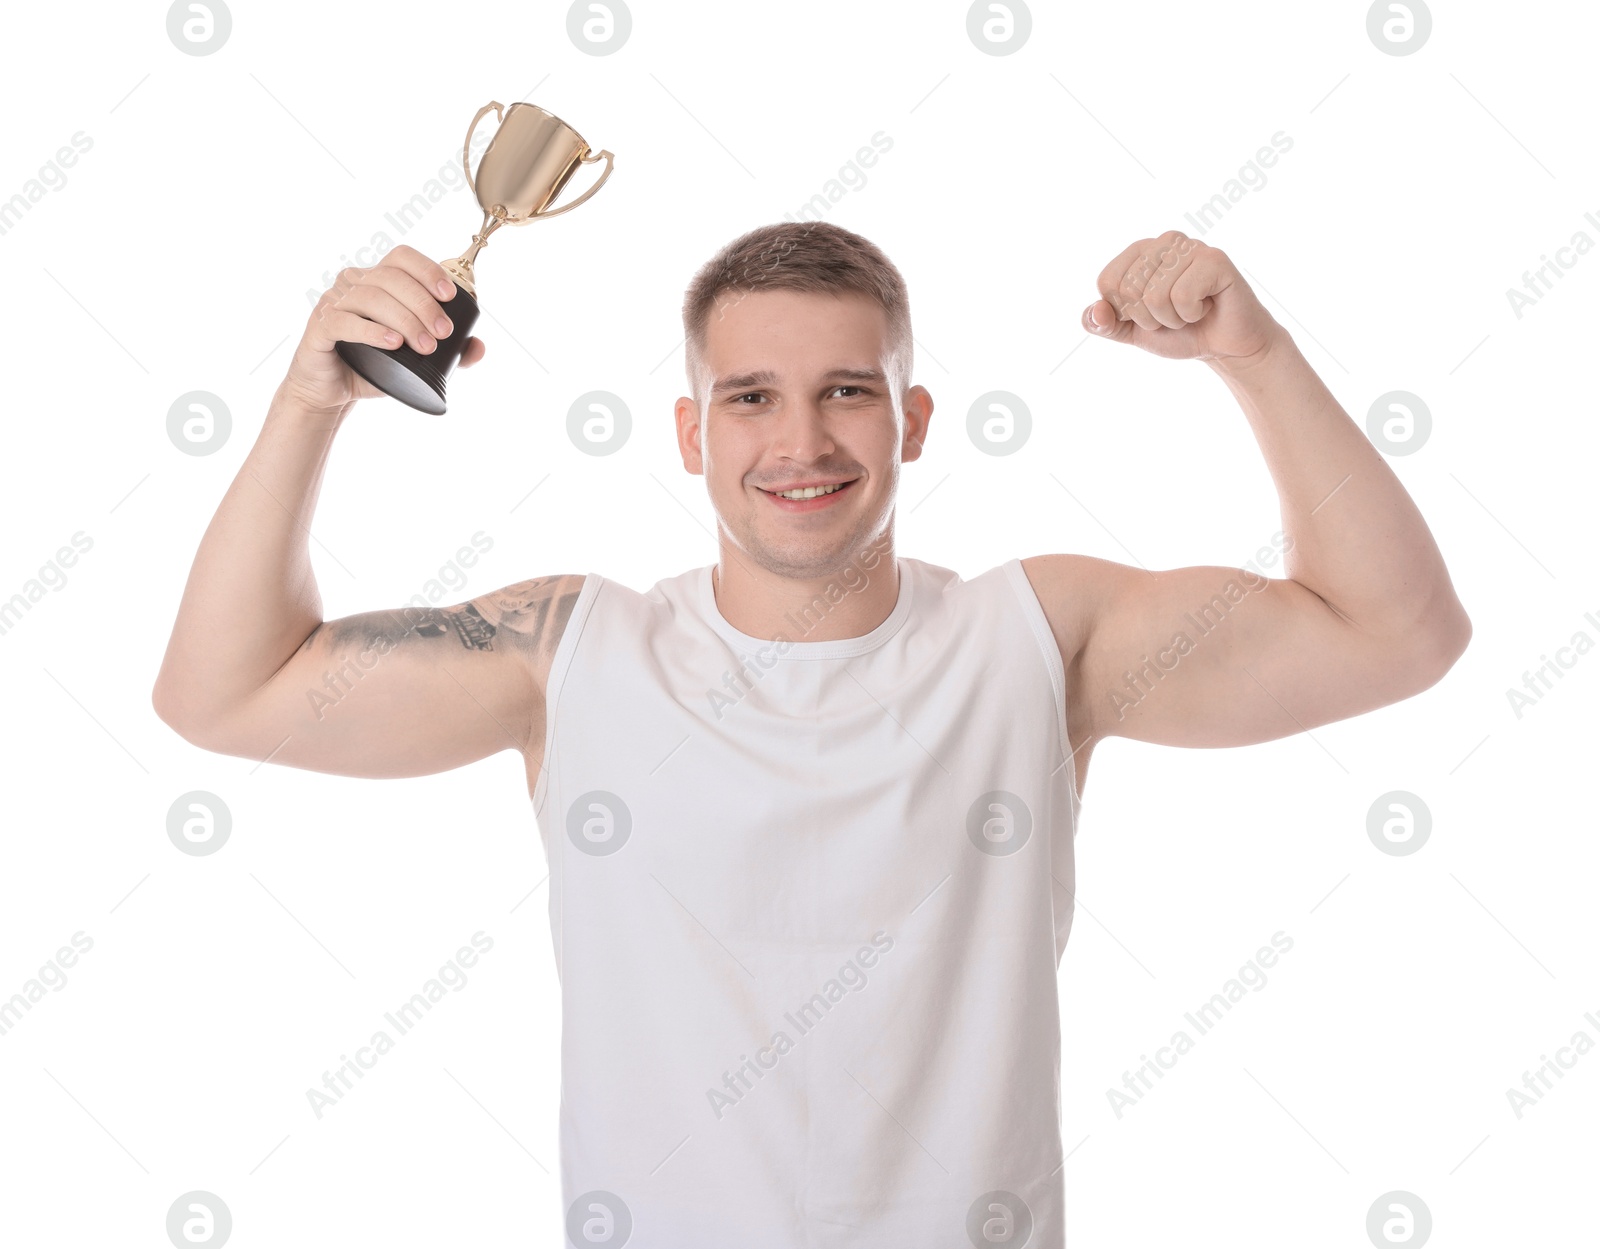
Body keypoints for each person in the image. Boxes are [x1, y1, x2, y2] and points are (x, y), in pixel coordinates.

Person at [152, 221, 1471, 1247]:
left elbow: (1397, 631)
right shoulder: (568, 650)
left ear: (911, 422)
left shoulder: (1037, 635)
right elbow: (227, 690)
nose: (800, 439)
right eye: (748, 398)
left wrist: (1256, 354)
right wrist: (310, 404)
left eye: (847, 390)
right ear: (689, 432)